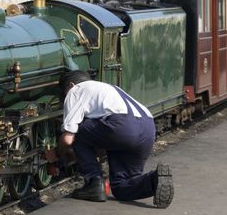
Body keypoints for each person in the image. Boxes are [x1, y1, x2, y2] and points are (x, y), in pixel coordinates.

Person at [57, 70, 174, 207]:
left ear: (71, 85)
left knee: (78, 131)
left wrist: (58, 154)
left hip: (122, 126)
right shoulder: (108, 88)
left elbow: (68, 139)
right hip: (147, 128)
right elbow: (100, 140)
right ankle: (155, 180)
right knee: (121, 187)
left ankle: (94, 182)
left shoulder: (76, 90)